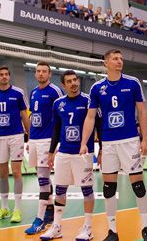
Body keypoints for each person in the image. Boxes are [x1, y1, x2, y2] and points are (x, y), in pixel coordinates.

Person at [80, 49, 147, 241]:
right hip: (109, 143)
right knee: (108, 187)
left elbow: (142, 112)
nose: (119, 61)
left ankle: (146, 228)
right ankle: (112, 231)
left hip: (129, 140)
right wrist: (83, 142)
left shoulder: (132, 83)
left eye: (121, 58)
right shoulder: (97, 88)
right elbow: (90, 117)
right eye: (115, 59)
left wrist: (145, 138)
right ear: (106, 63)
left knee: (138, 185)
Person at [40, 70, 97, 241]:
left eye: (75, 80)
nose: (73, 83)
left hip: (83, 153)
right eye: (69, 81)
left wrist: (99, 151)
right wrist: (51, 152)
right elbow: (56, 129)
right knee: (60, 190)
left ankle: (88, 227)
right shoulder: (58, 103)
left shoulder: (88, 100)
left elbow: (98, 124)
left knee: (87, 189)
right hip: (63, 152)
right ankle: (57, 227)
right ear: (63, 85)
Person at [0, 66, 30, 223]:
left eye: (6, 74)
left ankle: (17, 210)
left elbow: (24, 115)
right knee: (2, 173)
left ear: (9, 76)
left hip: (16, 136)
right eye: (1, 75)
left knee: (16, 172)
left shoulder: (18, 93)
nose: (4, 77)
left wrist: (31, 137)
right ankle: (4, 208)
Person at [24, 62, 63, 235]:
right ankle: (49, 212)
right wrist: (29, 139)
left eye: (44, 72)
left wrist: (55, 146)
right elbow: (33, 118)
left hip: (47, 140)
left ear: (50, 74)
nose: (41, 74)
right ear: (35, 74)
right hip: (35, 140)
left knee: (42, 180)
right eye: (38, 71)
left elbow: (61, 116)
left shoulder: (55, 91)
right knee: (44, 178)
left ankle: (39, 219)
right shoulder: (33, 92)